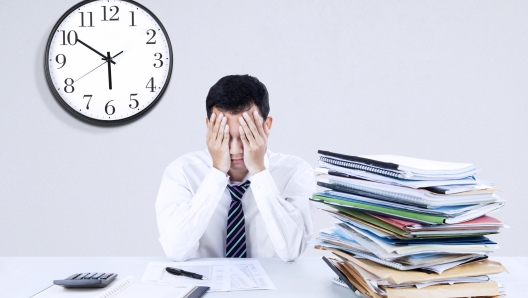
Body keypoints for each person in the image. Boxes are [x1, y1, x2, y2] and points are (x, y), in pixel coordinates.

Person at [155, 75, 315, 261]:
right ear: (209, 127)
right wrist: (216, 173)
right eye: (225, 136)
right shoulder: (182, 172)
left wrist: (259, 172)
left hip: (274, 289)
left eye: (246, 136)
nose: (235, 149)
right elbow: (176, 250)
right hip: (206, 286)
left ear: (266, 126)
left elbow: (292, 251)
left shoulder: (296, 172)